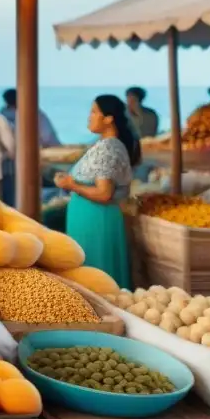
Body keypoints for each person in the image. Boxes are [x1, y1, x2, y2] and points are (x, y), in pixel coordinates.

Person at [54, 95, 139, 289]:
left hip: (97, 221)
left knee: (97, 278)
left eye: (93, 112)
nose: (89, 117)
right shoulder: (105, 145)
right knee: (90, 276)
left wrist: (71, 185)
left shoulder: (108, 148)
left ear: (108, 118)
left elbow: (104, 193)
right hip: (91, 219)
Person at [0, 88, 61, 205]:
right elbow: (49, 138)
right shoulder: (35, 114)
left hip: (3, 168)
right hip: (28, 164)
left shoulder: (0, 115)